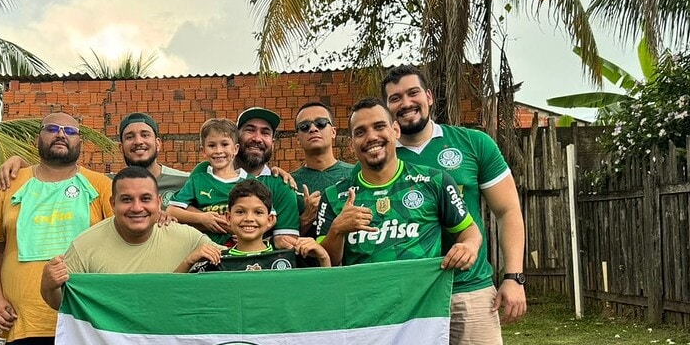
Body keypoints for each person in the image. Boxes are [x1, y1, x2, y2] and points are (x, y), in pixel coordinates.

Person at [383, 65, 526, 345]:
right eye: (395, 98)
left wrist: (514, 277)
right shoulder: (380, 156)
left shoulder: (473, 144)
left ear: (429, 97)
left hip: (469, 289)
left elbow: (508, 210)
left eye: (413, 93)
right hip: (407, 299)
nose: (406, 103)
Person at [0, 113, 113, 345]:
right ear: (37, 139)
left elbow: (131, 231)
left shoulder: (101, 185)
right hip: (23, 327)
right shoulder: (11, 182)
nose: (61, 134)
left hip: (85, 327)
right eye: (52, 128)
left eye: (70, 130)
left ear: (81, 142)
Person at [315, 98, 481, 271]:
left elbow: (468, 229)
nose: (371, 137)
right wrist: (337, 230)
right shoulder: (333, 196)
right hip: (364, 297)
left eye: (379, 127)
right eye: (360, 132)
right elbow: (327, 263)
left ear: (395, 130)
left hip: (424, 297)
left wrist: (469, 246)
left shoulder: (435, 180)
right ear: (351, 145)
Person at [40, 167, 219, 310]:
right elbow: (63, 304)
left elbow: (237, 262)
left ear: (158, 202)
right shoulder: (84, 246)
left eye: (145, 199)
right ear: (112, 203)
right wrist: (48, 287)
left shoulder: (188, 238)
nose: (136, 207)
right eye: (126, 200)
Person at [0, 112, 189, 207]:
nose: (138, 141)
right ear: (121, 147)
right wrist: (20, 162)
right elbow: (56, 178)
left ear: (158, 143)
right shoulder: (107, 184)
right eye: (130, 137)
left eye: (145, 135)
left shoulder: (186, 182)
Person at [187, 107, 301, 245]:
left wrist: (248, 234)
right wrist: (212, 221)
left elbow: (285, 242)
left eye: (265, 133)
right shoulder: (205, 170)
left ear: (273, 143)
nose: (257, 138)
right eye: (250, 130)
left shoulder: (281, 185)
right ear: (236, 138)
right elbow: (179, 211)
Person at [182, 179, 329, 272]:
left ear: (270, 220)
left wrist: (323, 257)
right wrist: (189, 261)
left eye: (258, 212)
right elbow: (173, 294)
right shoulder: (216, 262)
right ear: (228, 217)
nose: (249, 219)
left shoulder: (292, 258)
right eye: (240, 212)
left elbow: (326, 294)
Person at [167, 118, 247, 245]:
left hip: (241, 249)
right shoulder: (198, 179)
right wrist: (202, 218)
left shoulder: (249, 182)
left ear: (235, 149)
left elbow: (269, 215)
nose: (218, 151)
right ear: (203, 151)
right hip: (206, 247)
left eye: (225, 144)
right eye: (212, 145)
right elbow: (171, 210)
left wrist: (249, 232)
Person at [290, 102, 354, 236]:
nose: (313, 129)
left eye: (321, 123)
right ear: (297, 139)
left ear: (333, 132)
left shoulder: (355, 174)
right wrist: (307, 217)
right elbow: (281, 240)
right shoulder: (289, 184)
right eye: (304, 126)